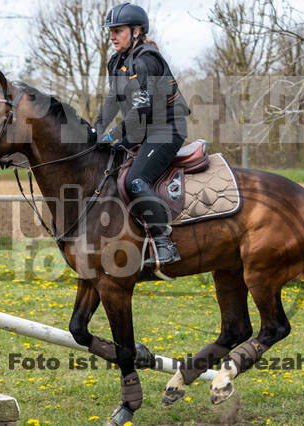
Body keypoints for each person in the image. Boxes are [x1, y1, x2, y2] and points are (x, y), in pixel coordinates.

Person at [95, 2, 191, 268]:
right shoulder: (116, 61)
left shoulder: (147, 59)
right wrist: (95, 130)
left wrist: (113, 135)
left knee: (136, 180)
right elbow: (112, 101)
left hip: (166, 130)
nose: (112, 36)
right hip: (142, 131)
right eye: (110, 31)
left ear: (136, 31)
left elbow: (143, 108)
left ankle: (164, 243)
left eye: (118, 30)